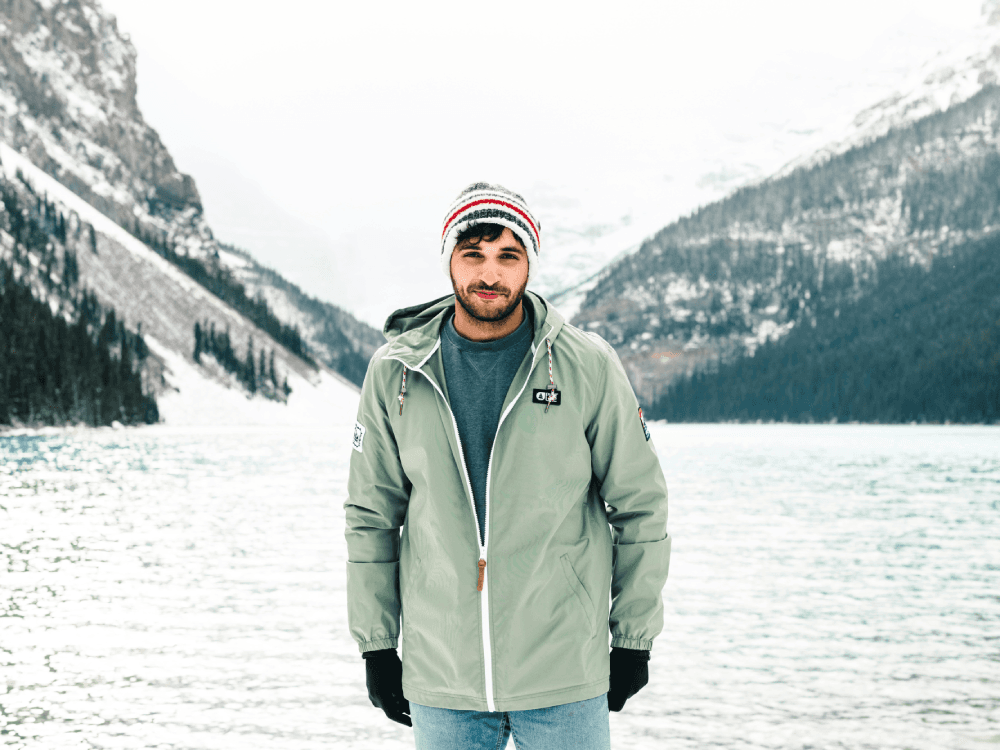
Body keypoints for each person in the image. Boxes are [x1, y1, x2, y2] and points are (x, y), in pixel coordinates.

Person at [345, 182, 670, 749]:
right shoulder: (395, 372)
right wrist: (376, 644)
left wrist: (633, 638)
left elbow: (641, 505)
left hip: (564, 670)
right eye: (473, 255)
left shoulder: (585, 365)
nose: (489, 275)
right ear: (449, 259)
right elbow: (371, 516)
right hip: (442, 677)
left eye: (507, 256)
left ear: (529, 265)